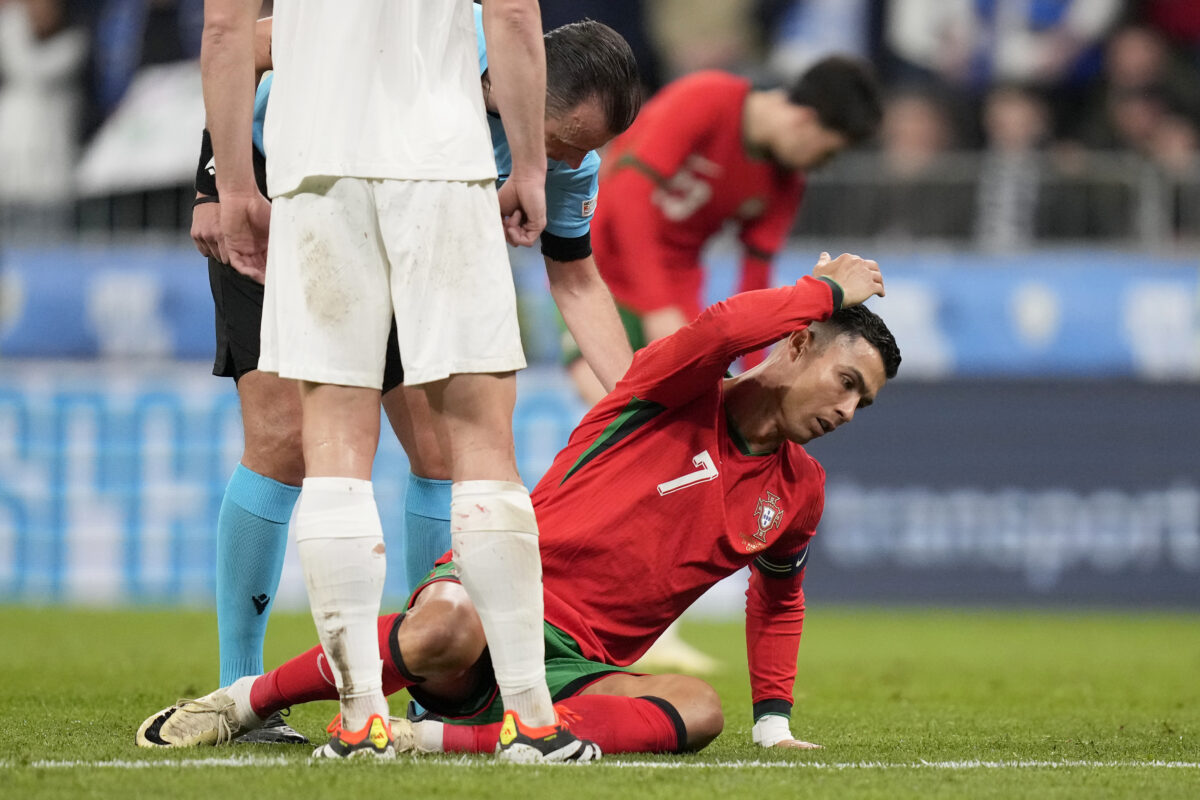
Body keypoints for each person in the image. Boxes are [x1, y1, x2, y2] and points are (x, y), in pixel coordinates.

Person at [137, 251, 901, 756]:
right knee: (446, 625)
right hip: (493, 600)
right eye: (846, 382)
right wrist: (828, 289)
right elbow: (727, 327)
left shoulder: (799, 492)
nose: (848, 410)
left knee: (698, 708)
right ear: (797, 346)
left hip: (577, 670)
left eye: (864, 403)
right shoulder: (670, 390)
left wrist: (773, 723)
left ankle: (428, 743)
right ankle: (240, 704)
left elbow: (780, 600)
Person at [191, 10, 640, 746]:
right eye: (563, 139)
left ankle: (427, 695)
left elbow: (579, 283)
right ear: (515, 78)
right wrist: (218, 183)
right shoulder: (453, 34)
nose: (567, 161)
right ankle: (242, 688)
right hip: (285, 189)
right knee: (283, 440)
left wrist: (641, 404)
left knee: (439, 449)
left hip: (419, 198)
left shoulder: (565, 162)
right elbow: (240, 50)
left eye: (583, 149)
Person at [568, 55, 883, 406]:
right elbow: (627, 195)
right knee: (611, 410)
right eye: (827, 153)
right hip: (596, 270)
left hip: (677, 291)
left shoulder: (788, 182)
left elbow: (755, 280)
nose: (822, 166)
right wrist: (657, 306)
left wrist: (758, 377)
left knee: (690, 418)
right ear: (805, 121)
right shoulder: (706, 99)